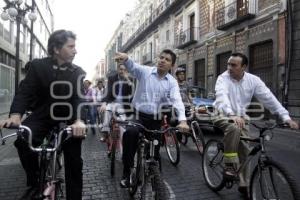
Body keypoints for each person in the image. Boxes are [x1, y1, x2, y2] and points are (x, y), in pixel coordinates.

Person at [0, 30, 86, 200]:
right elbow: (25, 91)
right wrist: (16, 115)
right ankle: (34, 182)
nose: (75, 50)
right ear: (56, 49)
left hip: (68, 118)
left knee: (74, 161)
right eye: (71, 46)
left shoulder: (77, 71)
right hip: (42, 115)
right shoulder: (38, 66)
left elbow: (78, 97)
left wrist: (78, 120)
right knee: (22, 139)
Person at [213, 52, 299, 196]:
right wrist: (231, 114)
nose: (229, 67)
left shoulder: (253, 80)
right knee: (233, 127)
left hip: (241, 117)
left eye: (233, 65)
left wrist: (286, 117)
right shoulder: (223, 78)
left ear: (244, 67)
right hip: (222, 113)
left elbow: (269, 98)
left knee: (245, 151)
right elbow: (222, 97)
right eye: (228, 64)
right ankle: (229, 165)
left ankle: (244, 184)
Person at [114, 49, 189, 188]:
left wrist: (183, 120)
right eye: (161, 57)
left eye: (167, 59)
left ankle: (156, 182)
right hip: (137, 115)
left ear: (172, 65)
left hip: (155, 119)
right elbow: (133, 66)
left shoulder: (172, 82)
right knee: (131, 134)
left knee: (154, 152)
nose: (162, 60)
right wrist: (126, 58)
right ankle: (127, 172)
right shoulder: (145, 71)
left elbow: (177, 100)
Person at [99, 64, 134, 143]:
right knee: (107, 111)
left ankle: (124, 137)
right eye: (121, 69)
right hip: (113, 102)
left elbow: (132, 92)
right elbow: (108, 91)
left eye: (124, 70)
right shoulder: (112, 78)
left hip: (124, 105)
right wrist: (104, 103)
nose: (122, 71)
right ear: (118, 70)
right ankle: (105, 132)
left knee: (124, 123)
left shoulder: (129, 79)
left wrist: (128, 80)